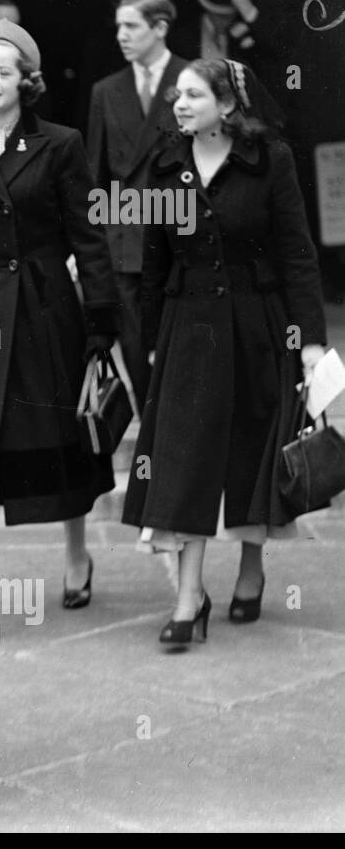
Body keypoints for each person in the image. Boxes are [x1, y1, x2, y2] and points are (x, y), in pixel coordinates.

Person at [122, 59, 327, 646]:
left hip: (259, 328)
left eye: (193, 95)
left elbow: (297, 255)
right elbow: (154, 263)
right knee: (183, 460)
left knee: (253, 448)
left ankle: (252, 567)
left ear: (228, 105)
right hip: (189, 330)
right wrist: (153, 344)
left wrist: (310, 342)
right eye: (177, 95)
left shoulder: (271, 162)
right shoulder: (165, 167)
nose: (179, 104)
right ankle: (188, 596)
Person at [0, 21, 119, 608]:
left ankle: (76, 555)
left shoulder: (60, 143)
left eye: (4, 72)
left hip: (45, 309)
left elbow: (88, 236)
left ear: (26, 80)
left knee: (59, 431)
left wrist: (101, 318)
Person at [86, 0, 190, 413]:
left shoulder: (191, 79)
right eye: (118, 27)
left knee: (181, 351)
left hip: (181, 236)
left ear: (160, 27)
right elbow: (97, 175)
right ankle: (153, 442)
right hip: (127, 243)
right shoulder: (106, 91)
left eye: (131, 26)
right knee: (135, 352)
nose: (121, 36)